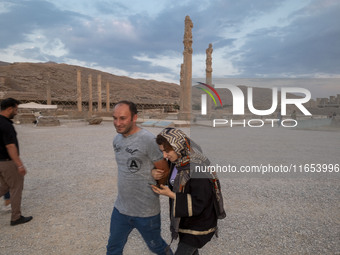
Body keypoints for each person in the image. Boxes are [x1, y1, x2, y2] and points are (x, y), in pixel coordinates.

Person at [106, 100, 172, 255]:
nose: (117, 123)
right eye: (115, 118)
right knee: (113, 248)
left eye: (122, 118)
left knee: (157, 247)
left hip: (146, 211)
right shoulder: (117, 140)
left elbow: (164, 169)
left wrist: (157, 184)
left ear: (134, 118)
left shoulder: (148, 140)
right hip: (121, 209)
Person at [151, 128, 225, 255]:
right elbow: (169, 178)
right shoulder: (177, 162)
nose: (164, 155)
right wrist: (154, 172)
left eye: (167, 150)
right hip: (185, 222)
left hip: (199, 225)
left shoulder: (197, 168)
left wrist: (171, 195)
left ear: (178, 146)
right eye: (162, 151)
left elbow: (201, 201)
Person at [0, 98, 33, 226]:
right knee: (16, 188)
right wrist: (19, 164)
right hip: (8, 162)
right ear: (9, 109)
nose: (17, 112)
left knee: (3, 187)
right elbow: (10, 146)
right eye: (16, 109)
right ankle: (16, 217)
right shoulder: (6, 125)